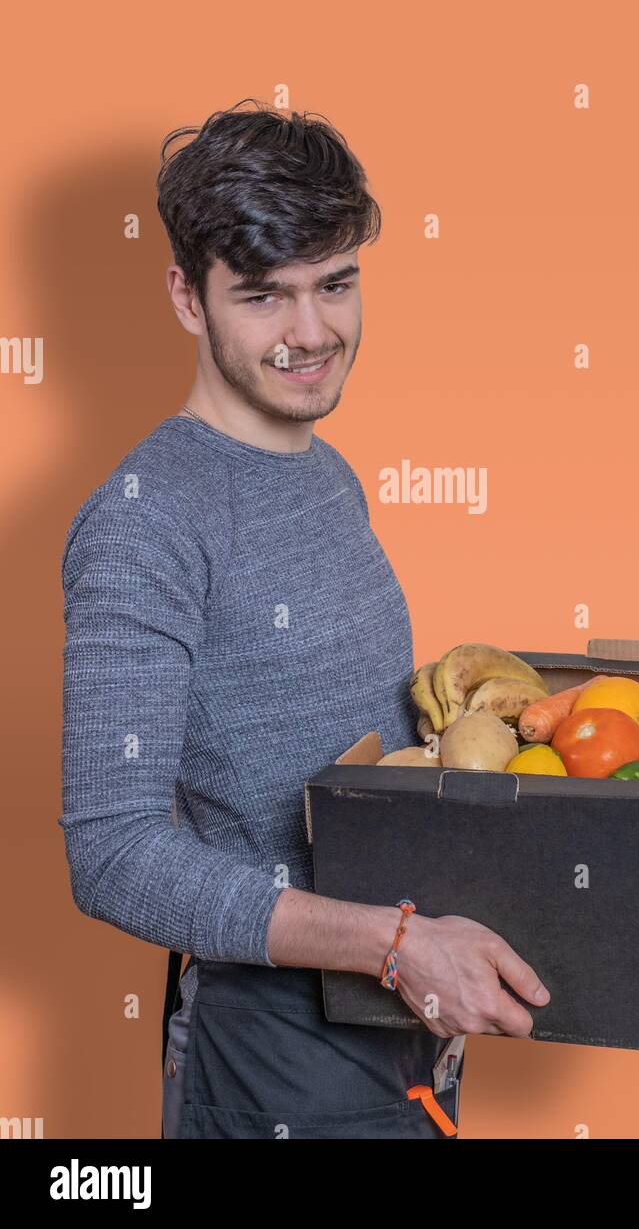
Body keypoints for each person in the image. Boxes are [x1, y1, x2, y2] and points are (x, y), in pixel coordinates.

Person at [59, 99, 551, 1140]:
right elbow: (112, 851)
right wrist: (393, 944)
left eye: (335, 283)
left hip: (405, 1035)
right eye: (264, 297)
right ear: (187, 300)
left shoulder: (327, 476)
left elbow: (355, 751)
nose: (312, 332)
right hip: (270, 1055)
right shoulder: (146, 521)